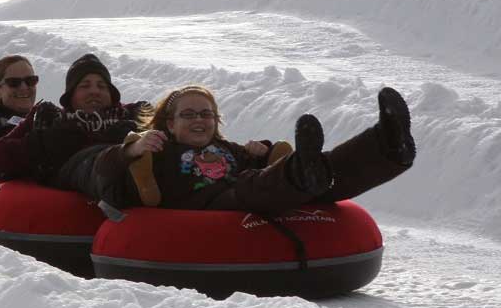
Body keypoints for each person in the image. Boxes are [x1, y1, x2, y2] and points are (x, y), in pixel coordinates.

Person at [85, 85, 415, 215]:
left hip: (244, 187)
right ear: (169, 123)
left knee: (325, 174)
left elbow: (255, 162)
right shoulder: (157, 148)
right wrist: (132, 150)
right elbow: (105, 173)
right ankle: (302, 171)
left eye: (206, 114)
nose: (199, 120)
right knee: (252, 187)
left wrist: (265, 150)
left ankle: (386, 146)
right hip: (207, 206)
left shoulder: (225, 147)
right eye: (188, 115)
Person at [0, 53, 153, 186]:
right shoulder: (55, 120)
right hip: (86, 178)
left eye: (102, 86)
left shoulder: (130, 114)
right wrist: (42, 142)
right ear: (71, 96)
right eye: (85, 86)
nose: (94, 91)